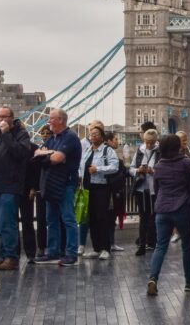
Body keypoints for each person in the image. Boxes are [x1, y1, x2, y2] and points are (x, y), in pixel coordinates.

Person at [146, 134, 190, 296]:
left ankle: (153, 278)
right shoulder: (186, 163)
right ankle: (189, 281)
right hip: (181, 208)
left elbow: (157, 188)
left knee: (160, 245)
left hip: (162, 210)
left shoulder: (159, 165)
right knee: (187, 245)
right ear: (178, 146)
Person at [0, 106, 31, 270]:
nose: (1, 119)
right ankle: (3, 256)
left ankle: (12, 257)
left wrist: (6, 134)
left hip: (11, 185)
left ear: (12, 118)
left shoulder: (21, 134)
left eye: (4, 116)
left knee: (8, 222)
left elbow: (21, 154)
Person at [33, 109, 82, 265]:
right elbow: (36, 153)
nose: (49, 122)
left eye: (51, 119)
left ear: (61, 120)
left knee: (68, 219)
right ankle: (53, 251)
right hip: (51, 183)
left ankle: (71, 253)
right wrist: (49, 154)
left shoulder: (71, 137)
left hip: (66, 183)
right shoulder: (53, 138)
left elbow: (56, 158)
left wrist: (47, 155)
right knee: (51, 219)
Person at [79, 125, 120, 260]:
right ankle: (96, 248)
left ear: (102, 137)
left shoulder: (107, 150)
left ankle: (105, 249)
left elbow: (114, 167)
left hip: (101, 188)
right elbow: (81, 166)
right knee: (91, 219)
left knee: (102, 218)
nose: (93, 136)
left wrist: (98, 169)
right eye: (91, 134)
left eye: (96, 134)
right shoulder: (88, 150)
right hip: (87, 188)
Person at [20, 126, 50, 263]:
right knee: (41, 219)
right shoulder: (37, 149)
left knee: (51, 219)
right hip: (34, 189)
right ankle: (41, 247)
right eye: (42, 133)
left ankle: (39, 250)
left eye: (47, 133)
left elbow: (34, 169)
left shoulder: (33, 149)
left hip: (41, 188)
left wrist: (32, 187)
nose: (44, 135)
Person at [129, 129, 160, 256]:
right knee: (143, 217)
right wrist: (138, 170)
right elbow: (130, 169)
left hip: (154, 190)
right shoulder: (140, 151)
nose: (149, 145)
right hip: (141, 189)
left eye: (151, 143)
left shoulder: (160, 152)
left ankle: (152, 242)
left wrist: (154, 172)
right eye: (147, 142)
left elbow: (164, 171)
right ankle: (142, 244)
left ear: (155, 141)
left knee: (154, 217)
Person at [102, 131, 128, 251]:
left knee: (109, 218)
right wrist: (123, 171)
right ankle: (109, 244)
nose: (118, 141)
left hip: (109, 191)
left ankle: (109, 243)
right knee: (109, 218)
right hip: (110, 192)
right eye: (116, 139)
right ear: (109, 141)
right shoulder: (108, 155)